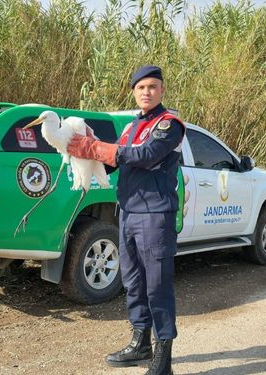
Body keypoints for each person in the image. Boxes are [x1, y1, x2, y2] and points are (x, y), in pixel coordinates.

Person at [67, 65, 184, 375]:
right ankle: (140, 343)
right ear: (133, 91)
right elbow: (117, 164)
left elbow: (146, 156)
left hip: (155, 215)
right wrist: (86, 155)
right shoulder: (130, 127)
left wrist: (98, 148)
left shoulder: (169, 125)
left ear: (161, 90)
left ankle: (163, 358)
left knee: (157, 285)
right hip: (129, 212)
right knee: (133, 281)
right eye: (141, 87)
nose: (147, 91)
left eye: (153, 86)